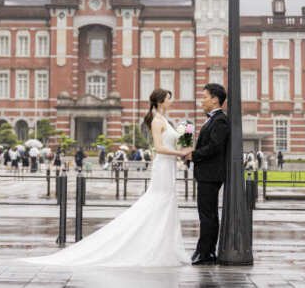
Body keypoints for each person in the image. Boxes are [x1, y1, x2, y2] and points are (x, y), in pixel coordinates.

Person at [24, 88, 190, 267]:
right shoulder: (157, 121)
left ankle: (165, 246)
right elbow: (159, 147)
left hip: (169, 166)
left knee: (166, 203)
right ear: (160, 101)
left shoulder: (164, 119)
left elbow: (173, 142)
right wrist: (180, 153)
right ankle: (155, 246)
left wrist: (186, 139)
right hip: (163, 166)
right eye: (169, 98)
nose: (171, 101)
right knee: (159, 202)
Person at [183, 83, 230, 266]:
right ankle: (204, 250)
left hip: (211, 174)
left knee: (207, 215)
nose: (201, 101)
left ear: (215, 99)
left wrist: (193, 155)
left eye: (204, 97)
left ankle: (206, 253)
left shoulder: (220, 120)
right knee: (207, 214)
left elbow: (214, 147)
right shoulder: (213, 119)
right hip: (207, 174)